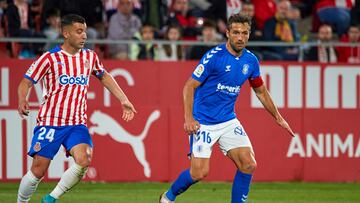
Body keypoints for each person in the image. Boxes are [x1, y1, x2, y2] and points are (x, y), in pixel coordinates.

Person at [159, 13, 294, 203]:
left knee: (248, 164)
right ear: (228, 33)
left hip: (228, 120)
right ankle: (167, 197)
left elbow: (261, 91)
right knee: (199, 173)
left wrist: (278, 117)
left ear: (249, 35)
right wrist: (189, 119)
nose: (241, 37)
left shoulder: (251, 61)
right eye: (236, 32)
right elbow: (189, 86)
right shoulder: (214, 57)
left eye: (245, 33)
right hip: (203, 122)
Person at [16, 14, 137, 203]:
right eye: (79, 32)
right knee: (38, 170)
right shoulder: (49, 58)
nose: (84, 36)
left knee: (84, 159)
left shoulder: (89, 57)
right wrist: (22, 99)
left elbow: (104, 76)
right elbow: (25, 82)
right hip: (51, 123)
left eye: (85, 32)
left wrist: (123, 99)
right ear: (66, 33)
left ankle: (51, 198)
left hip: (76, 124)